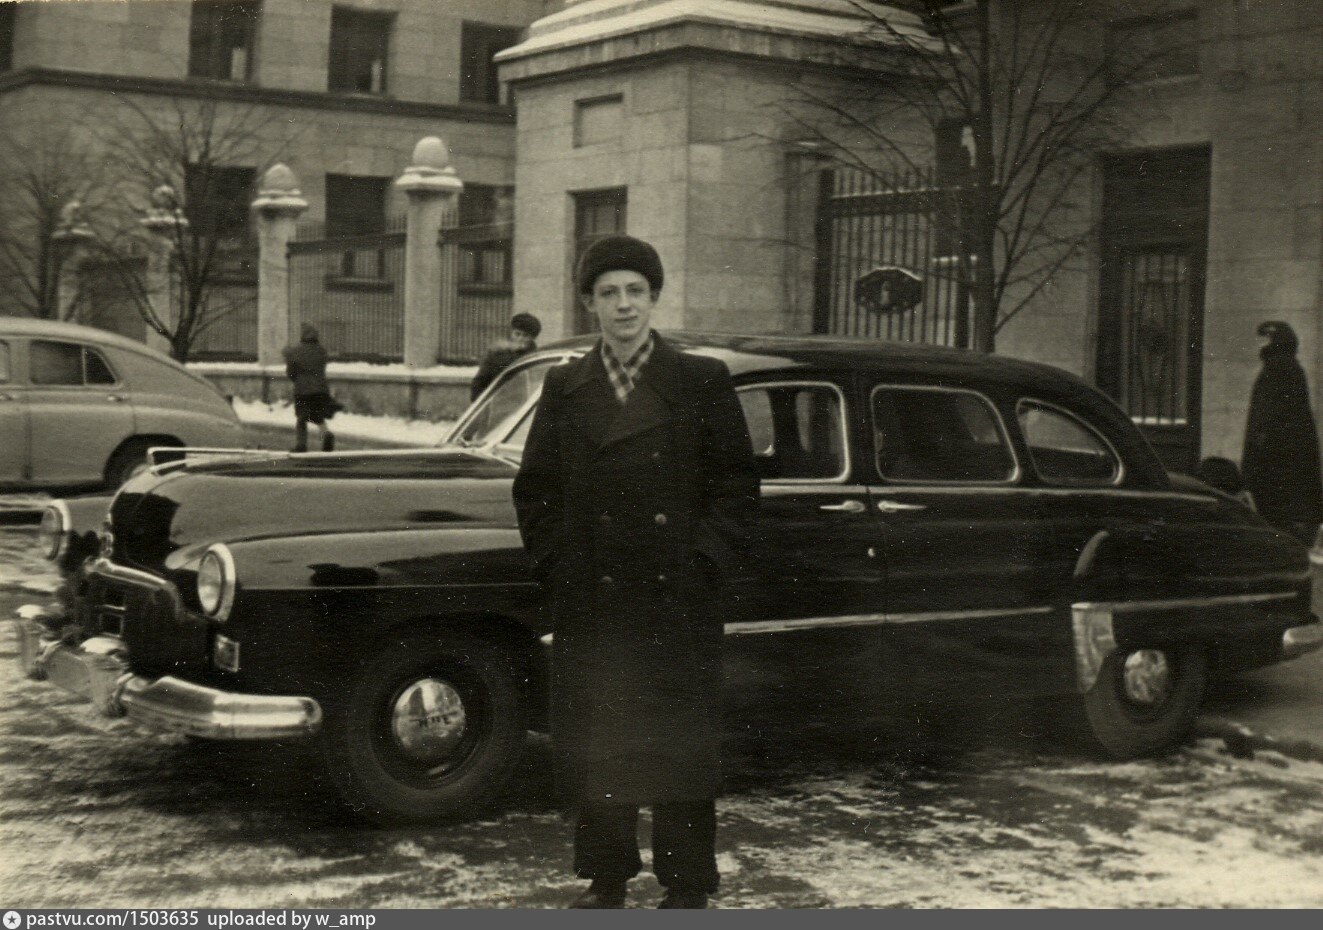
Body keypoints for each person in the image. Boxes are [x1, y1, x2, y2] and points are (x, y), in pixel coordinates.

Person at [512, 235, 759, 909]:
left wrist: (702, 564)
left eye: (635, 291)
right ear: (588, 301)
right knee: (601, 745)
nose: (622, 305)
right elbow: (535, 491)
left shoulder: (700, 380)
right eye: (608, 292)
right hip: (595, 600)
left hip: (675, 602)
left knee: (678, 750)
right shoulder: (565, 386)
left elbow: (735, 490)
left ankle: (685, 886)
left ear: (653, 298)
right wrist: (561, 568)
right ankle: (606, 878)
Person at [1242, 320, 1323, 542]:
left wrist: (1259, 445)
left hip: (1277, 457)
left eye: (1268, 339)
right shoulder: (1287, 368)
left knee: (1276, 509)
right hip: (1281, 455)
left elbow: (1271, 416)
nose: (1263, 345)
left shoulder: (1280, 369)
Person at [283, 322, 337, 453]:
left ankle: (301, 445)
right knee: (318, 415)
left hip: (303, 390)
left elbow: (291, 372)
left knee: (301, 418)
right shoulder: (321, 351)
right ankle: (326, 433)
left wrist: (296, 379)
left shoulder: (296, 351)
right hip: (320, 389)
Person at [471, 312, 542, 400]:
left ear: (532, 338)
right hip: (497, 401)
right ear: (511, 333)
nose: (520, 339)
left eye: (525, 336)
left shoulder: (536, 357)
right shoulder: (497, 354)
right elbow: (480, 383)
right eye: (517, 334)